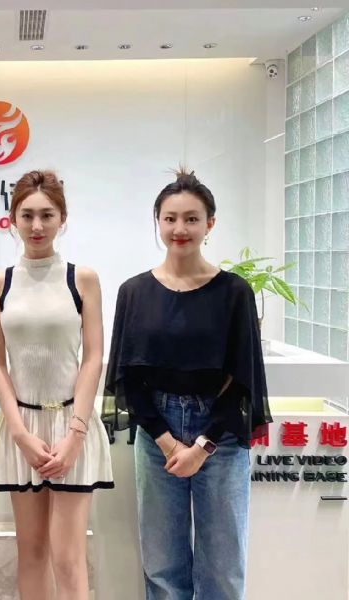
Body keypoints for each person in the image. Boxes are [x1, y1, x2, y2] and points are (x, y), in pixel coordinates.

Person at [102, 169, 272, 600]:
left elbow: (243, 378)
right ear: (157, 222)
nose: (180, 228)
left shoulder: (235, 292)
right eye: (171, 218)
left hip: (219, 435)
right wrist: (166, 441)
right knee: (162, 564)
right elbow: (128, 376)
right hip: (155, 432)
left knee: (223, 565)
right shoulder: (134, 292)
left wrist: (201, 446)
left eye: (192, 219)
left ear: (210, 224)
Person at [0, 170, 114, 600]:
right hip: (21, 427)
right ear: (13, 219)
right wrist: (19, 433)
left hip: (72, 424)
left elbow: (93, 357)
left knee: (68, 556)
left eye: (47, 215)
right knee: (32, 552)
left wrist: (76, 433)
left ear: (62, 218)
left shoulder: (82, 279)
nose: (37, 225)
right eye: (27, 215)